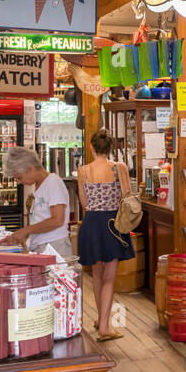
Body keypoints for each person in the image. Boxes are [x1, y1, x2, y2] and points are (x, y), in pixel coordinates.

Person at [76, 129, 133, 342]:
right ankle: (105, 327)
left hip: (91, 223)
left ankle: (102, 320)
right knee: (109, 277)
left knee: (97, 275)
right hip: (112, 223)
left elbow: (84, 203)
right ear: (111, 148)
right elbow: (126, 197)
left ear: (91, 147)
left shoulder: (83, 171)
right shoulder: (120, 168)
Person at [0, 148, 72, 257]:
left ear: (30, 169)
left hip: (55, 247)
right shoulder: (39, 186)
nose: (18, 182)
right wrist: (22, 236)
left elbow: (58, 220)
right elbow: (40, 219)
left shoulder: (53, 183)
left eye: (19, 177)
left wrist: (26, 230)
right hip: (43, 246)